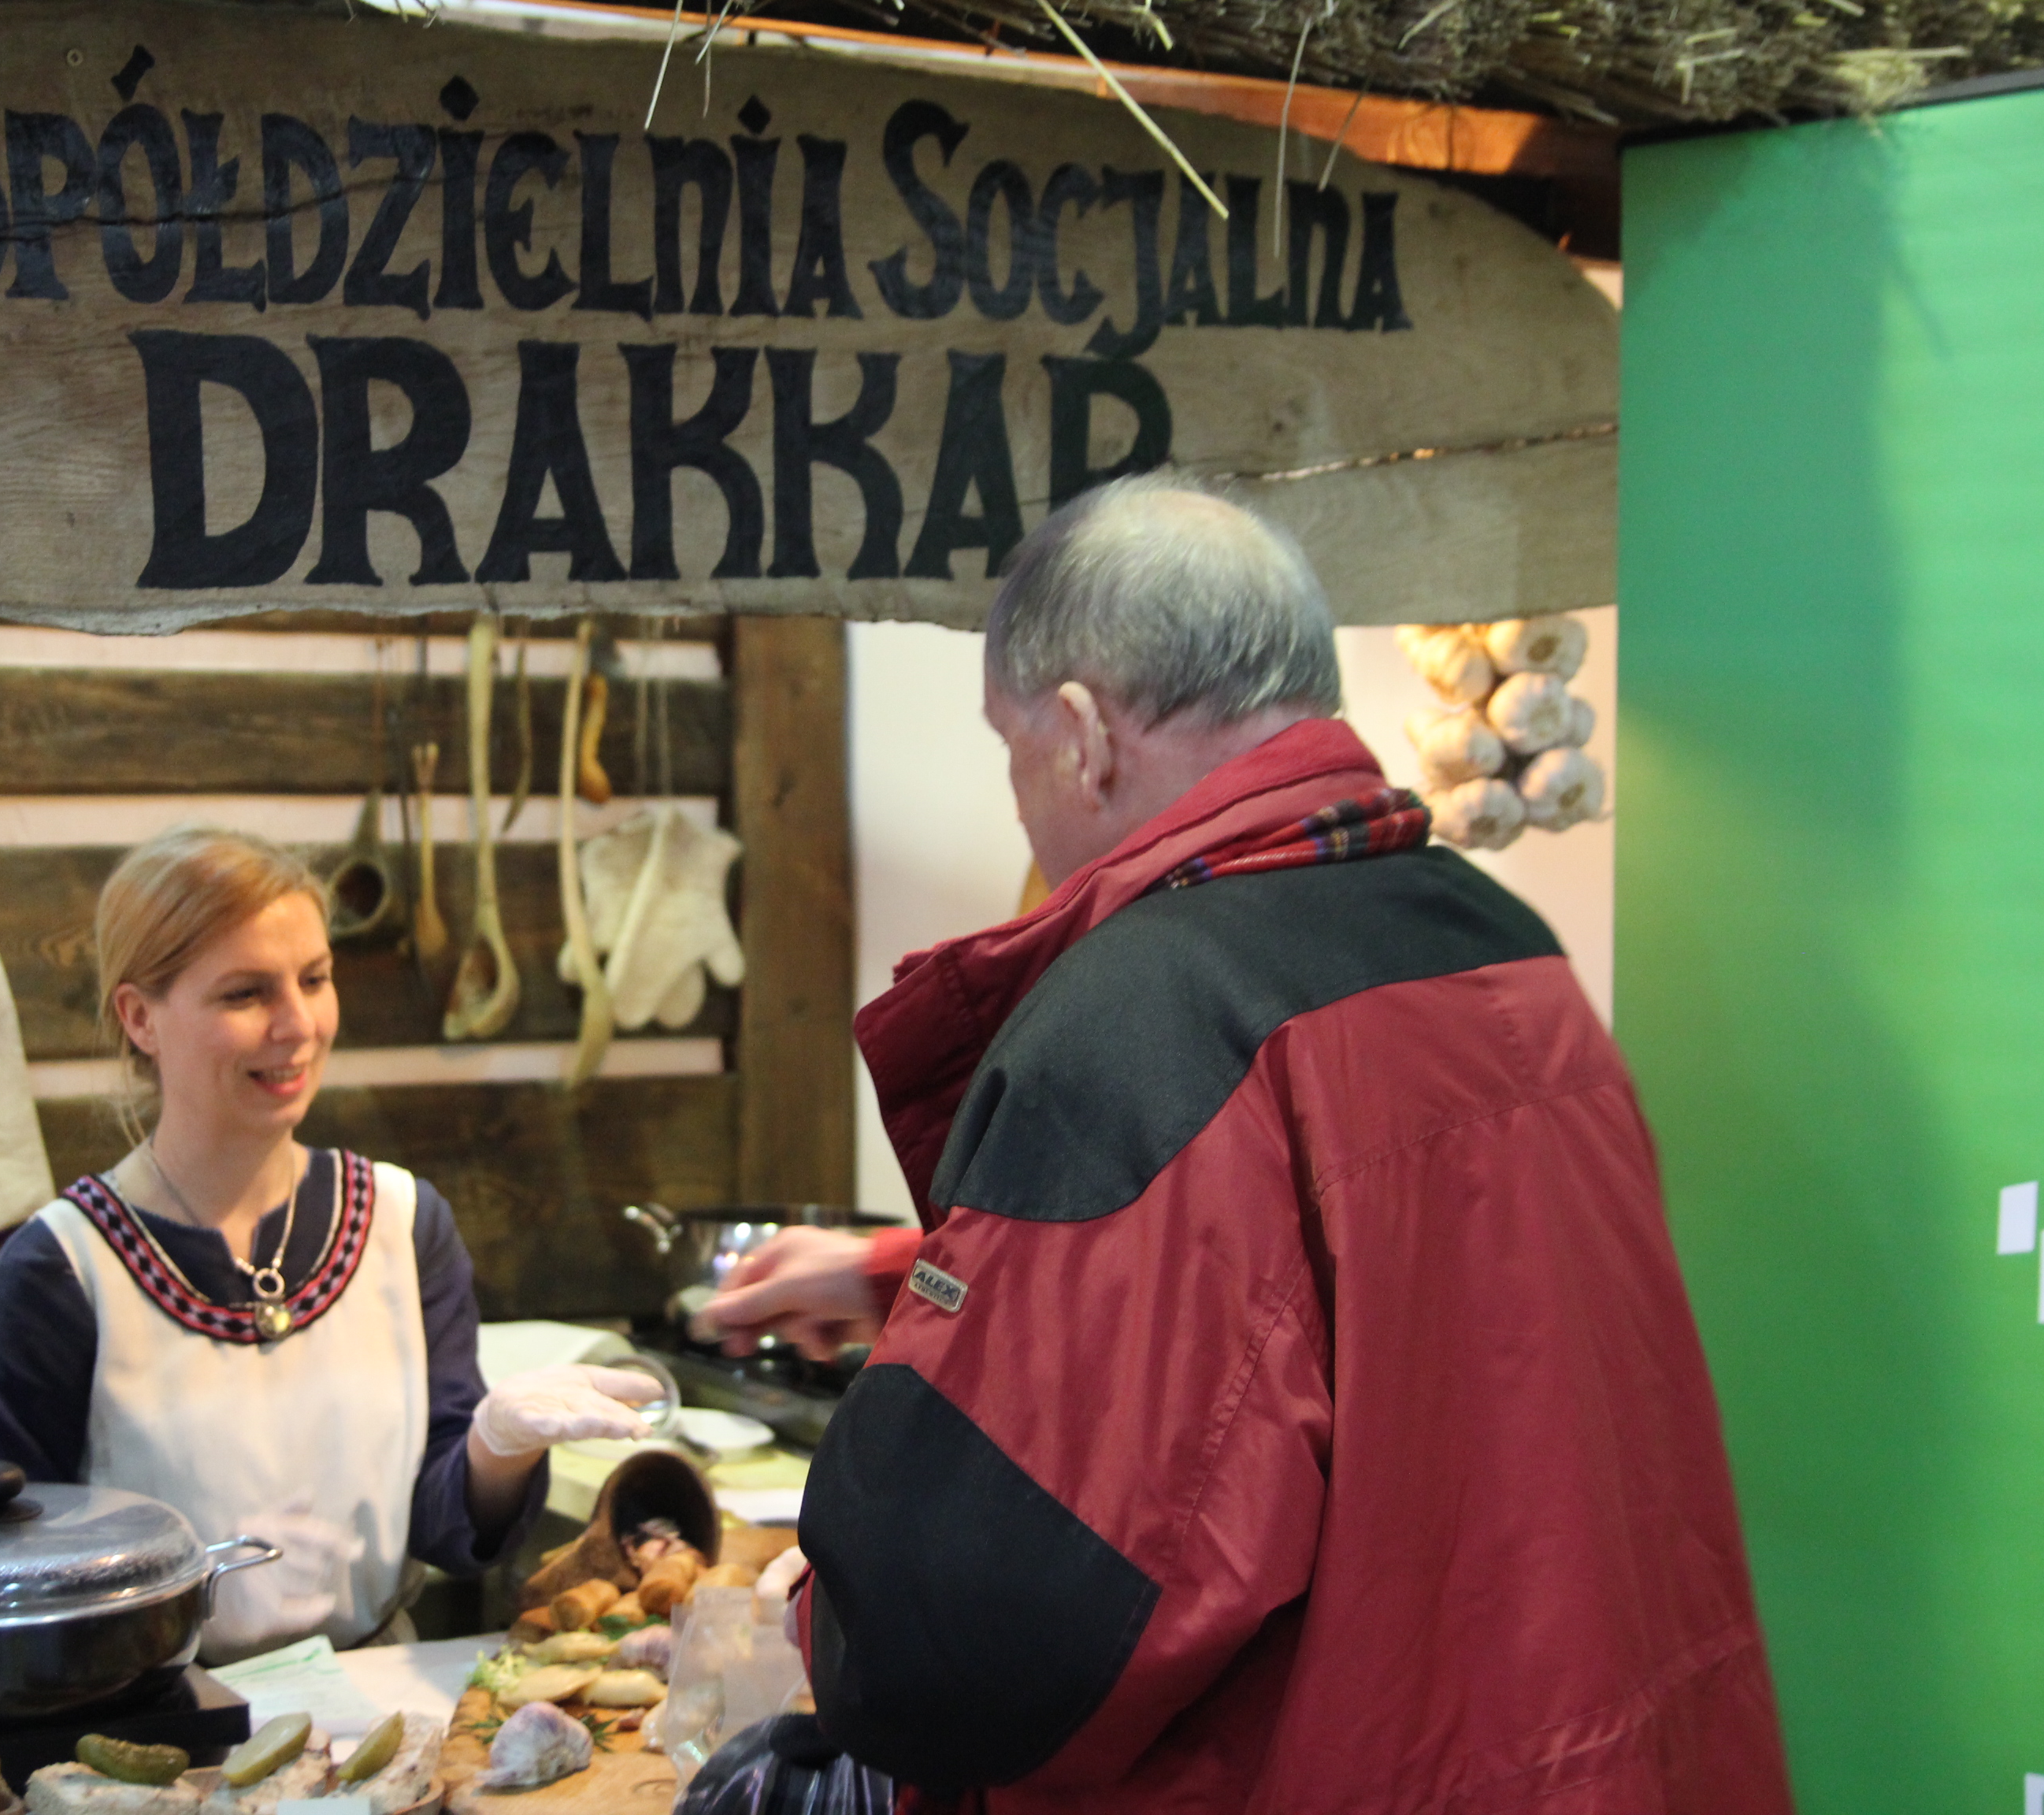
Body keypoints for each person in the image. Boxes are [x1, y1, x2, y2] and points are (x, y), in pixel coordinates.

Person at [698, 478, 1791, 1811]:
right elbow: (1389, 1300)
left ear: (1082, 734)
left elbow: (991, 1634)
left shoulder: (1152, 1019)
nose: (1022, 802)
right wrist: (903, 1278)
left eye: (1011, 747)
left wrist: (839, 1606)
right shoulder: (1501, 948)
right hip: (1606, 1754)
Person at [0, 828, 659, 1660]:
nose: (299, 1025)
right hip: (157, 1716)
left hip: (372, 1704)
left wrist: (495, 1448)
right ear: (140, 1017)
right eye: (245, 994)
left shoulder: (401, 1222)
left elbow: (443, 1527)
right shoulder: (61, 1273)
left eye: (314, 980)